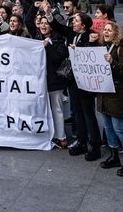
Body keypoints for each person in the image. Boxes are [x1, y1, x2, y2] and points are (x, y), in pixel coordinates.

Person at [98, 21, 123, 176]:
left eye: (109, 30)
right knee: (108, 126)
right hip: (104, 91)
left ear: (116, 33)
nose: (106, 32)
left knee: (119, 128)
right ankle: (114, 154)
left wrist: (112, 62)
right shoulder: (104, 47)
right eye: (104, 30)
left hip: (117, 93)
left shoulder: (122, 49)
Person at [66, 12, 103, 161]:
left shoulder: (90, 36)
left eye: (76, 20)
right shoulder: (72, 35)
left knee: (88, 113)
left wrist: (84, 47)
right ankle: (81, 140)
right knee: (77, 112)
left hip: (86, 83)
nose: (73, 22)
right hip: (74, 82)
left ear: (83, 24)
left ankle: (94, 144)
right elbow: (57, 27)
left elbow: (92, 56)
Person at [34, 16, 69, 148]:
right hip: (41, 82)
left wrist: (48, 46)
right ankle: (48, 134)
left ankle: (62, 137)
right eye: (41, 23)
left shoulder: (58, 40)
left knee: (57, 109)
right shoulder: (37, 40)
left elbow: (57, 58)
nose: (43, 26)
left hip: (55, 81)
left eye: (46, 24)